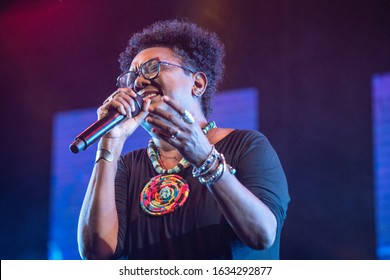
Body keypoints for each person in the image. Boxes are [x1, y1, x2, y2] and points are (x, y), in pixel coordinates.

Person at [77, 19, 290, 260]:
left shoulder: (247, 146)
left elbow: (262, 235)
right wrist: (110, 144)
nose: (138, 82)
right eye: (133, 76)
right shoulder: (126, 166)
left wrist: (204, 158)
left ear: (197, 83)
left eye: (152, 67)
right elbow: (95, 253)